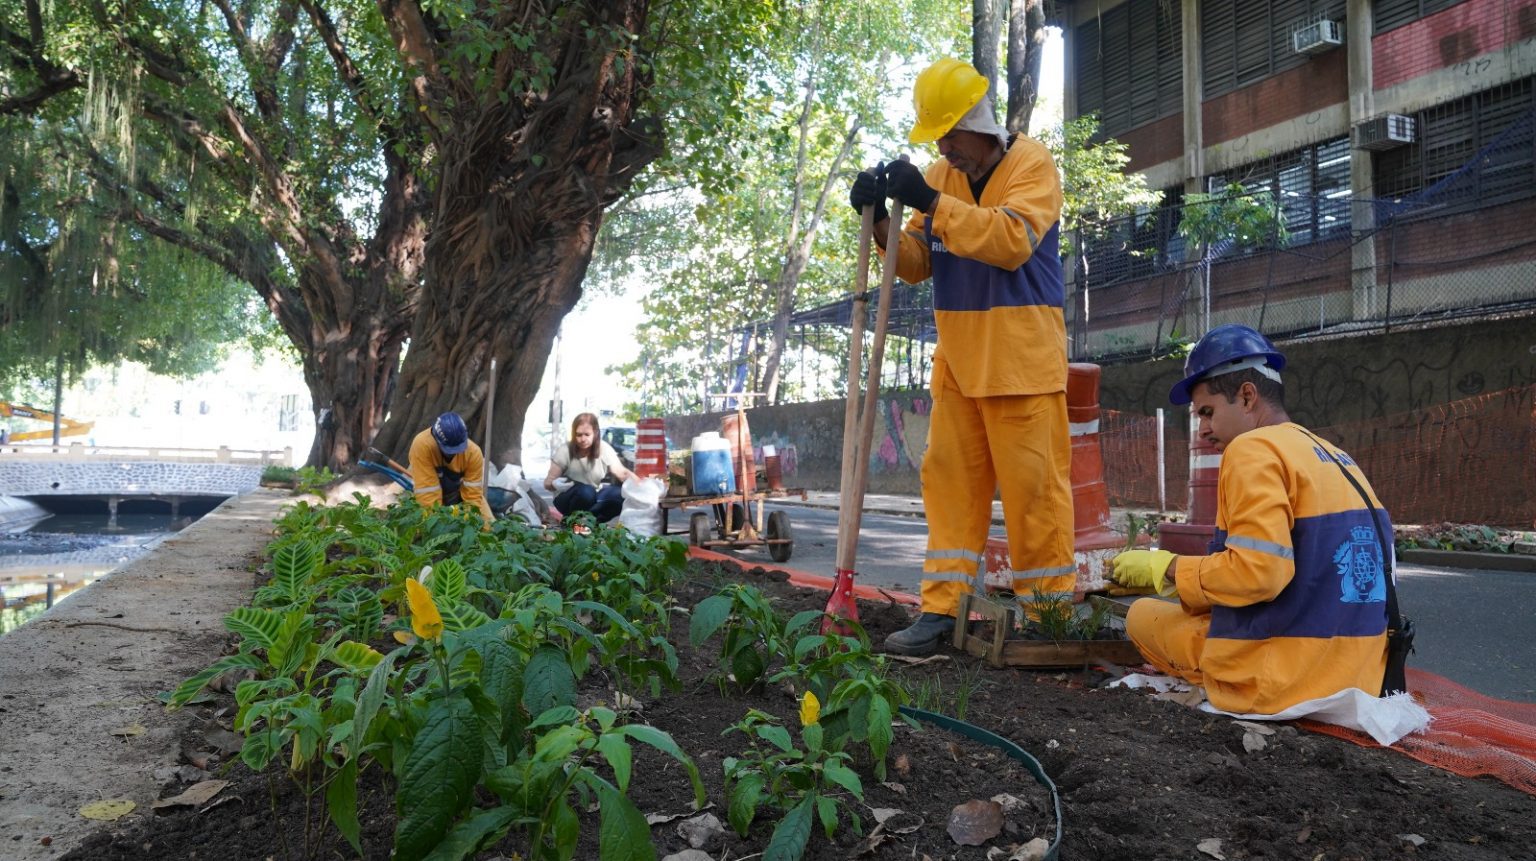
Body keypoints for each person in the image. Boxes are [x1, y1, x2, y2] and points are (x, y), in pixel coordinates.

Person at [850, 57, 1075, 656]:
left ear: (980, 122)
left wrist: (929, 199)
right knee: (949, 490)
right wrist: (877, 223)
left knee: (1035, 495)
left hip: (1023, 363)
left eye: (951, 134)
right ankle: (941, 610)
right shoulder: (939, 178)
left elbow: (1010, 241)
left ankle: (1049, 613)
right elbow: (916, 265)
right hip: (959, 365)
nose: (945, 148)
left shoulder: (1033, 165)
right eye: (939, 138)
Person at [1109, 325, 1392, 714]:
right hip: (1360, 672)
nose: (1203, 429)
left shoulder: (1251, 450)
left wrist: (1168, 568)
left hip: (1282, 676)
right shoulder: (1334, 455)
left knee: (1142, 616)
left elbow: (1259, 575)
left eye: (1207, 412)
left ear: (1247, 396)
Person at [544, 412, 635, 524]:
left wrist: (644, 486)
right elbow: (547, 483)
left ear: (595, 433)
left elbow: (623, 474)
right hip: (567, 499)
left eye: (587, 434)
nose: (582, 439)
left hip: (593, 496)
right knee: (586, 492)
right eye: (578, 435)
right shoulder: (565, 450)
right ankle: (571, 521)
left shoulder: (604, 448)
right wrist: (555, 484)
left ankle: (592, 523)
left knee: (621, 495)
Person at [408, 411, 496, 523]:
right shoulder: (422, 446)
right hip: (431, 497)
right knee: (423, 526)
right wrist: (436, 525)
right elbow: (428, 496)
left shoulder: (473, 453)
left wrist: (471, 524)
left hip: (460, 493)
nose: (452, 454)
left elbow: (472, 496)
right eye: (449, 450)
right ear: (436, 438)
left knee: (488, 526)